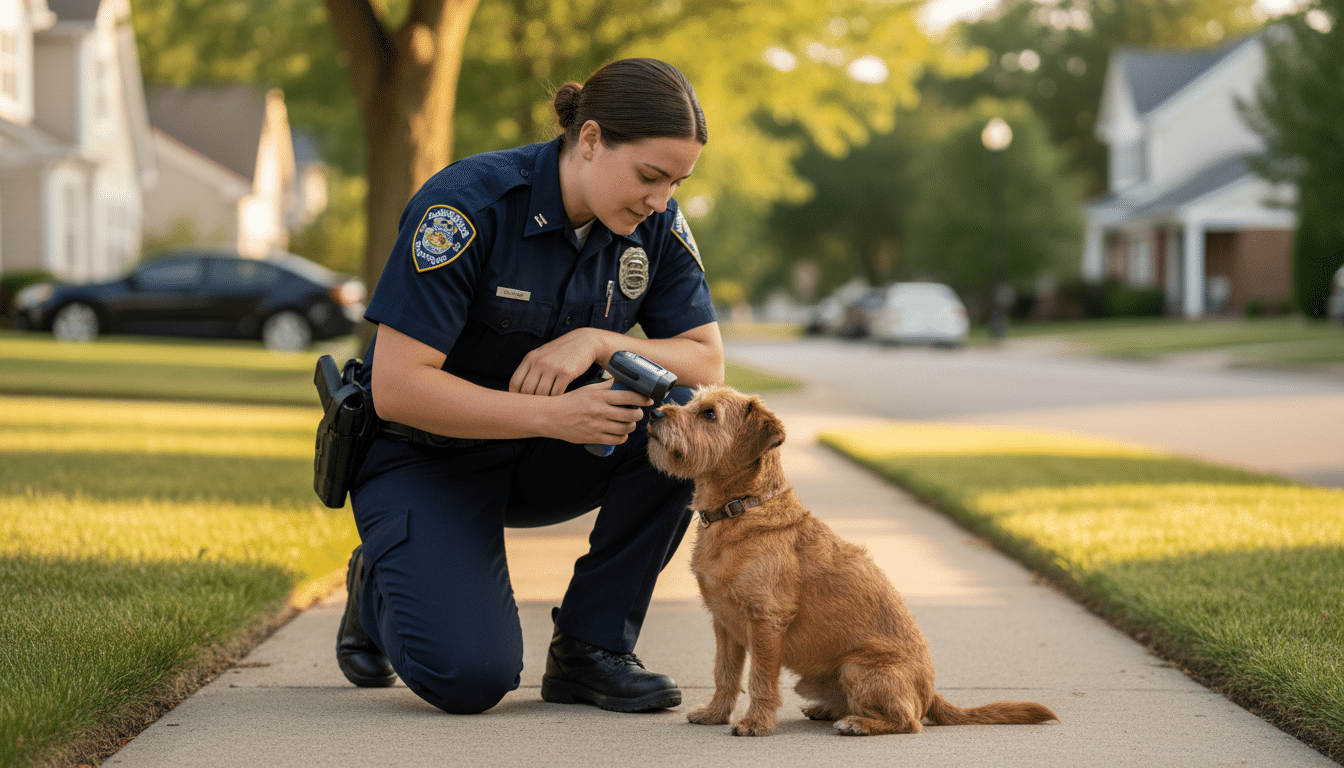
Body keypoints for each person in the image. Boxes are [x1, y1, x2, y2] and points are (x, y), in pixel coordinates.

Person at [336, 57, 724, 716]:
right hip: (426, 457)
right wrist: (553, 417)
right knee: (470, 679)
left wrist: (600, 341)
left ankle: (590, 651)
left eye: (677, 182)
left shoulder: (653, 224)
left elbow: (705, 362)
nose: (661, 200)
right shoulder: (467, 204)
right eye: (651, 177)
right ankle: (379, 581)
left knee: (686, 428)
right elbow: (396, 389)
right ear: (593, 139)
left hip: (543, 460)